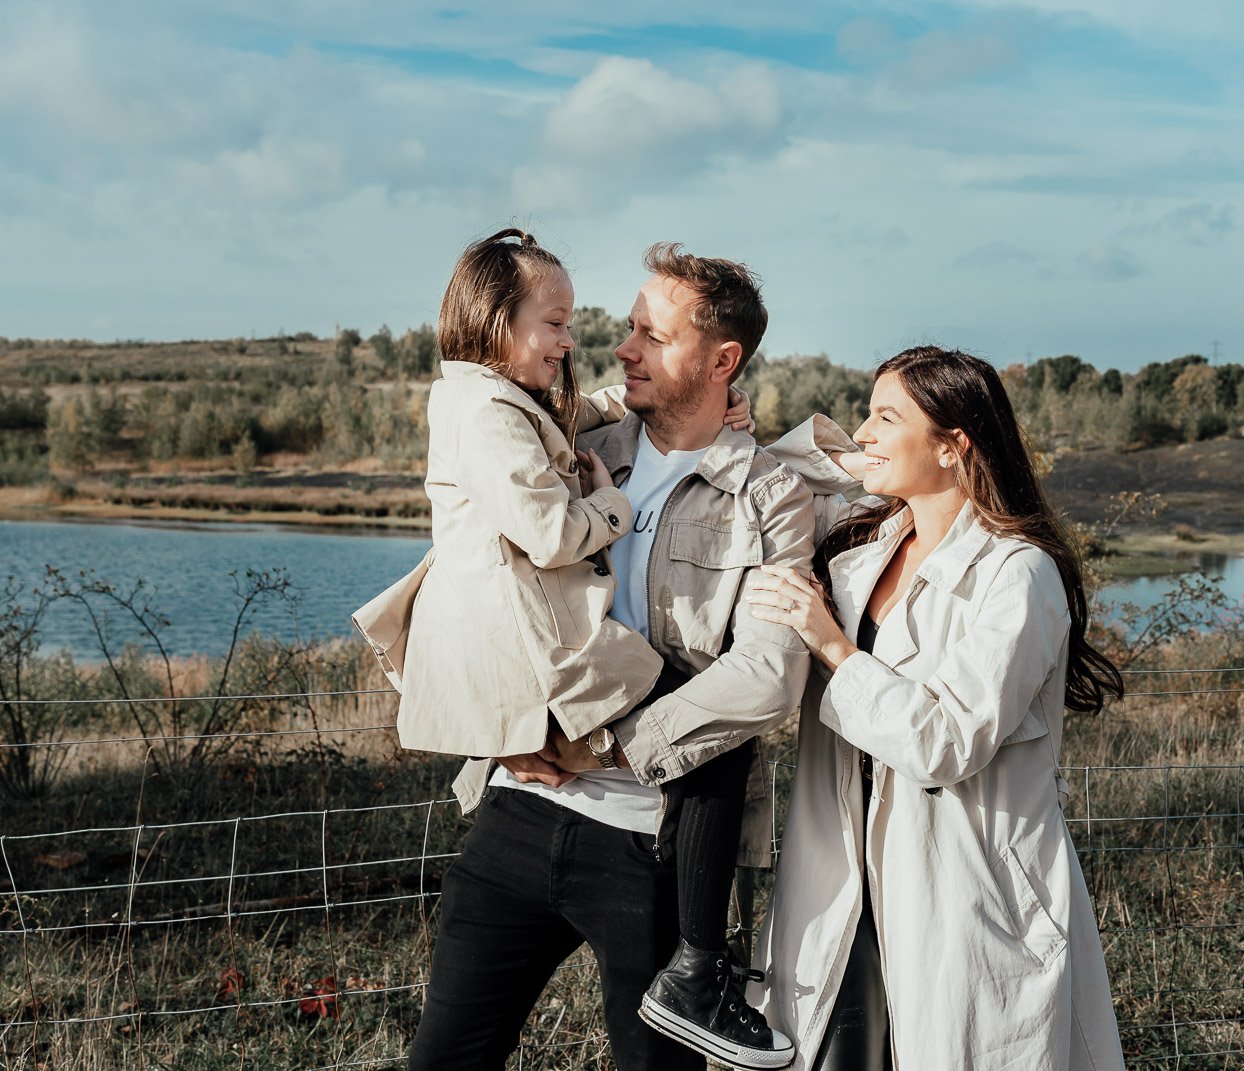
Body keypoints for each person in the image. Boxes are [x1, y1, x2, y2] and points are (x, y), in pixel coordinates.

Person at [371, 238, 813, 1071]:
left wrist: (611, 742)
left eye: (654, 335)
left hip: (648, 843)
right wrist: (501, 723)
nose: (623, 346)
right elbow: (479, 588)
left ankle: (701, 977)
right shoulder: (578, 449)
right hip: (518, 803)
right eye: (629, 327)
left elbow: (770, 675)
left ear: (722, 360)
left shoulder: (767, 494)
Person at [748, 346, 1128, 1070]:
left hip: (961, 893)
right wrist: (752, 424)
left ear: (954, 447)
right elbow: (780, 469)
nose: (863, 432)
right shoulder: (869, 537)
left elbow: (948, 741)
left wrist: (835, 649)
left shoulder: (1019, 574)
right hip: (843, 886)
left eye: (885, 417)